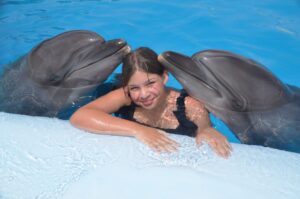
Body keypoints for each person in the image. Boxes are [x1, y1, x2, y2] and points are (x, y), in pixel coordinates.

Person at [70, 47, 232, 158]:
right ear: (126, 86)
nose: (144, 94)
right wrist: (139, 130)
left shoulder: (189, 105)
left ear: (164, 77)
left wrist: (206, 130)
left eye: (150, 83)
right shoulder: (125, 96)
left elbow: (205, 129)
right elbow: (80, 116)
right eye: (134, 87)